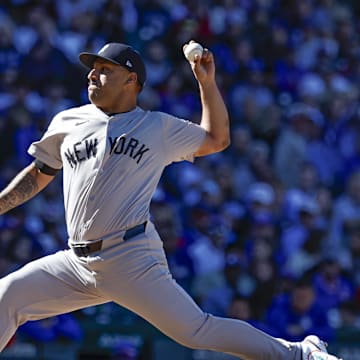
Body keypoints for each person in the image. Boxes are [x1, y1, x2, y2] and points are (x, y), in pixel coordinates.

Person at [0, 40, 342, 360]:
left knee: (195, 330)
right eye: (93, 68)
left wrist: (206, 83)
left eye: (105, 69)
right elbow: (39, 172)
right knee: (8, 295)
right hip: (76, 260)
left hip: (129, 255)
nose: (93, 74)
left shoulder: (156, 127)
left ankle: (299, 353)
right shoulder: (68, 121)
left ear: (131, 80)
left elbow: (217, 139)